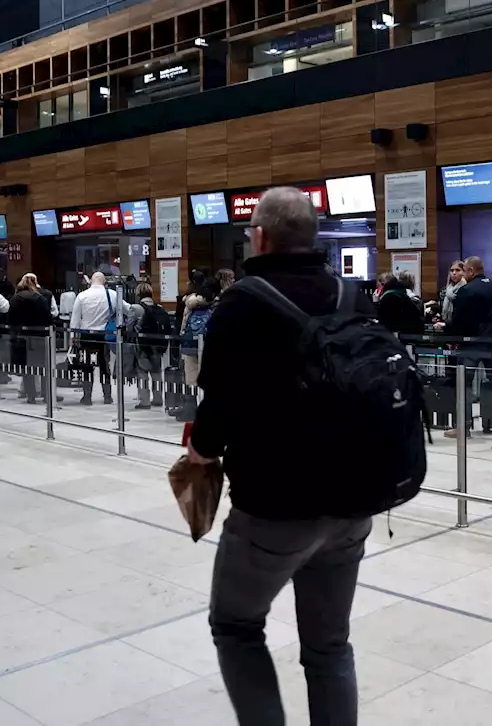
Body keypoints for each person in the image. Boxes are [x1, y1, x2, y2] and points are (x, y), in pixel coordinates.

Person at [188, 187, 379, 726]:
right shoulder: (351, 295)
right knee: (330, 646)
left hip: (274, 506)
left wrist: (200, 457)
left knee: (236, 625)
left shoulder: (243, 301)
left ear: (262, 237)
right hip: (351, 502)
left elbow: (217, 406)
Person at [448, 256, 492, 438]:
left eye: (464, 269)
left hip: (472, 343)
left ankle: (463, 427)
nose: (462, 273)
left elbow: (459, 320)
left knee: (464, 384)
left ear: (471, 270)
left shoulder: (467, 290)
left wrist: (454, 339)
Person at [69, 271, 131, 406]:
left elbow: (74, 320)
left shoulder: (82, 296)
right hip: (104, 336)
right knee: (104, 366)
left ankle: (87, 397)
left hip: (86, 336)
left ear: (91, 281)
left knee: (87, 367)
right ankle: (107, 397)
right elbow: (129, 309)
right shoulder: (112, 295)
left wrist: (72, 338)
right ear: (104, 282)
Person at [9, 273, 55, 405]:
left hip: (22, 337)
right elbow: (48, 317)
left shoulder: (16, 298)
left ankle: (31, 396)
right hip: (40, 336)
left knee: (27, 368)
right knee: (43, 367)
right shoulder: (40, 298)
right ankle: (46, 394)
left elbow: (11, 319)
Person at [130, 281, 172, 409]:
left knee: (142, 372)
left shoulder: (136, 308)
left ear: (138, 294)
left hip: (142, 346)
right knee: (156, 372)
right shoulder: (159, 307)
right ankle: (158, 398)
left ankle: (145, 401)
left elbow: (129, 326)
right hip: (157, 346)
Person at [440, 260, 465, 326]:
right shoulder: (445, 290)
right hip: (447, 325)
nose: (454, 273)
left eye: (458, 270)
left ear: (464, 272)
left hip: (462, 327)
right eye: (452, 270)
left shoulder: (467, 289)